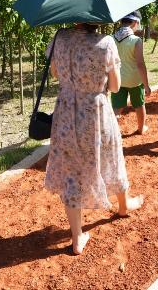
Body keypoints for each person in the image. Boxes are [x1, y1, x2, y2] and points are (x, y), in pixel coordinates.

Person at [45, 23, 144, 255]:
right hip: (95, 111)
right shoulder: (106, 43)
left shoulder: (59, 38)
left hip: (66, 111)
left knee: (71, 170)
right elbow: (115, 85)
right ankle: (123, 206)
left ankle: (77, 237)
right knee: (111, 156)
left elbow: (55, 73)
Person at [111, 11, 152, 135]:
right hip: (134, 80)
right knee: (139, 105)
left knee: (117, 107)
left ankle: (111, 132)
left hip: (117, 79)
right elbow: (140, 64)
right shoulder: (136, 40)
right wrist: (146, 85)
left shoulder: (111, 38)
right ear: (134, 22)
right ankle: (141, 128)